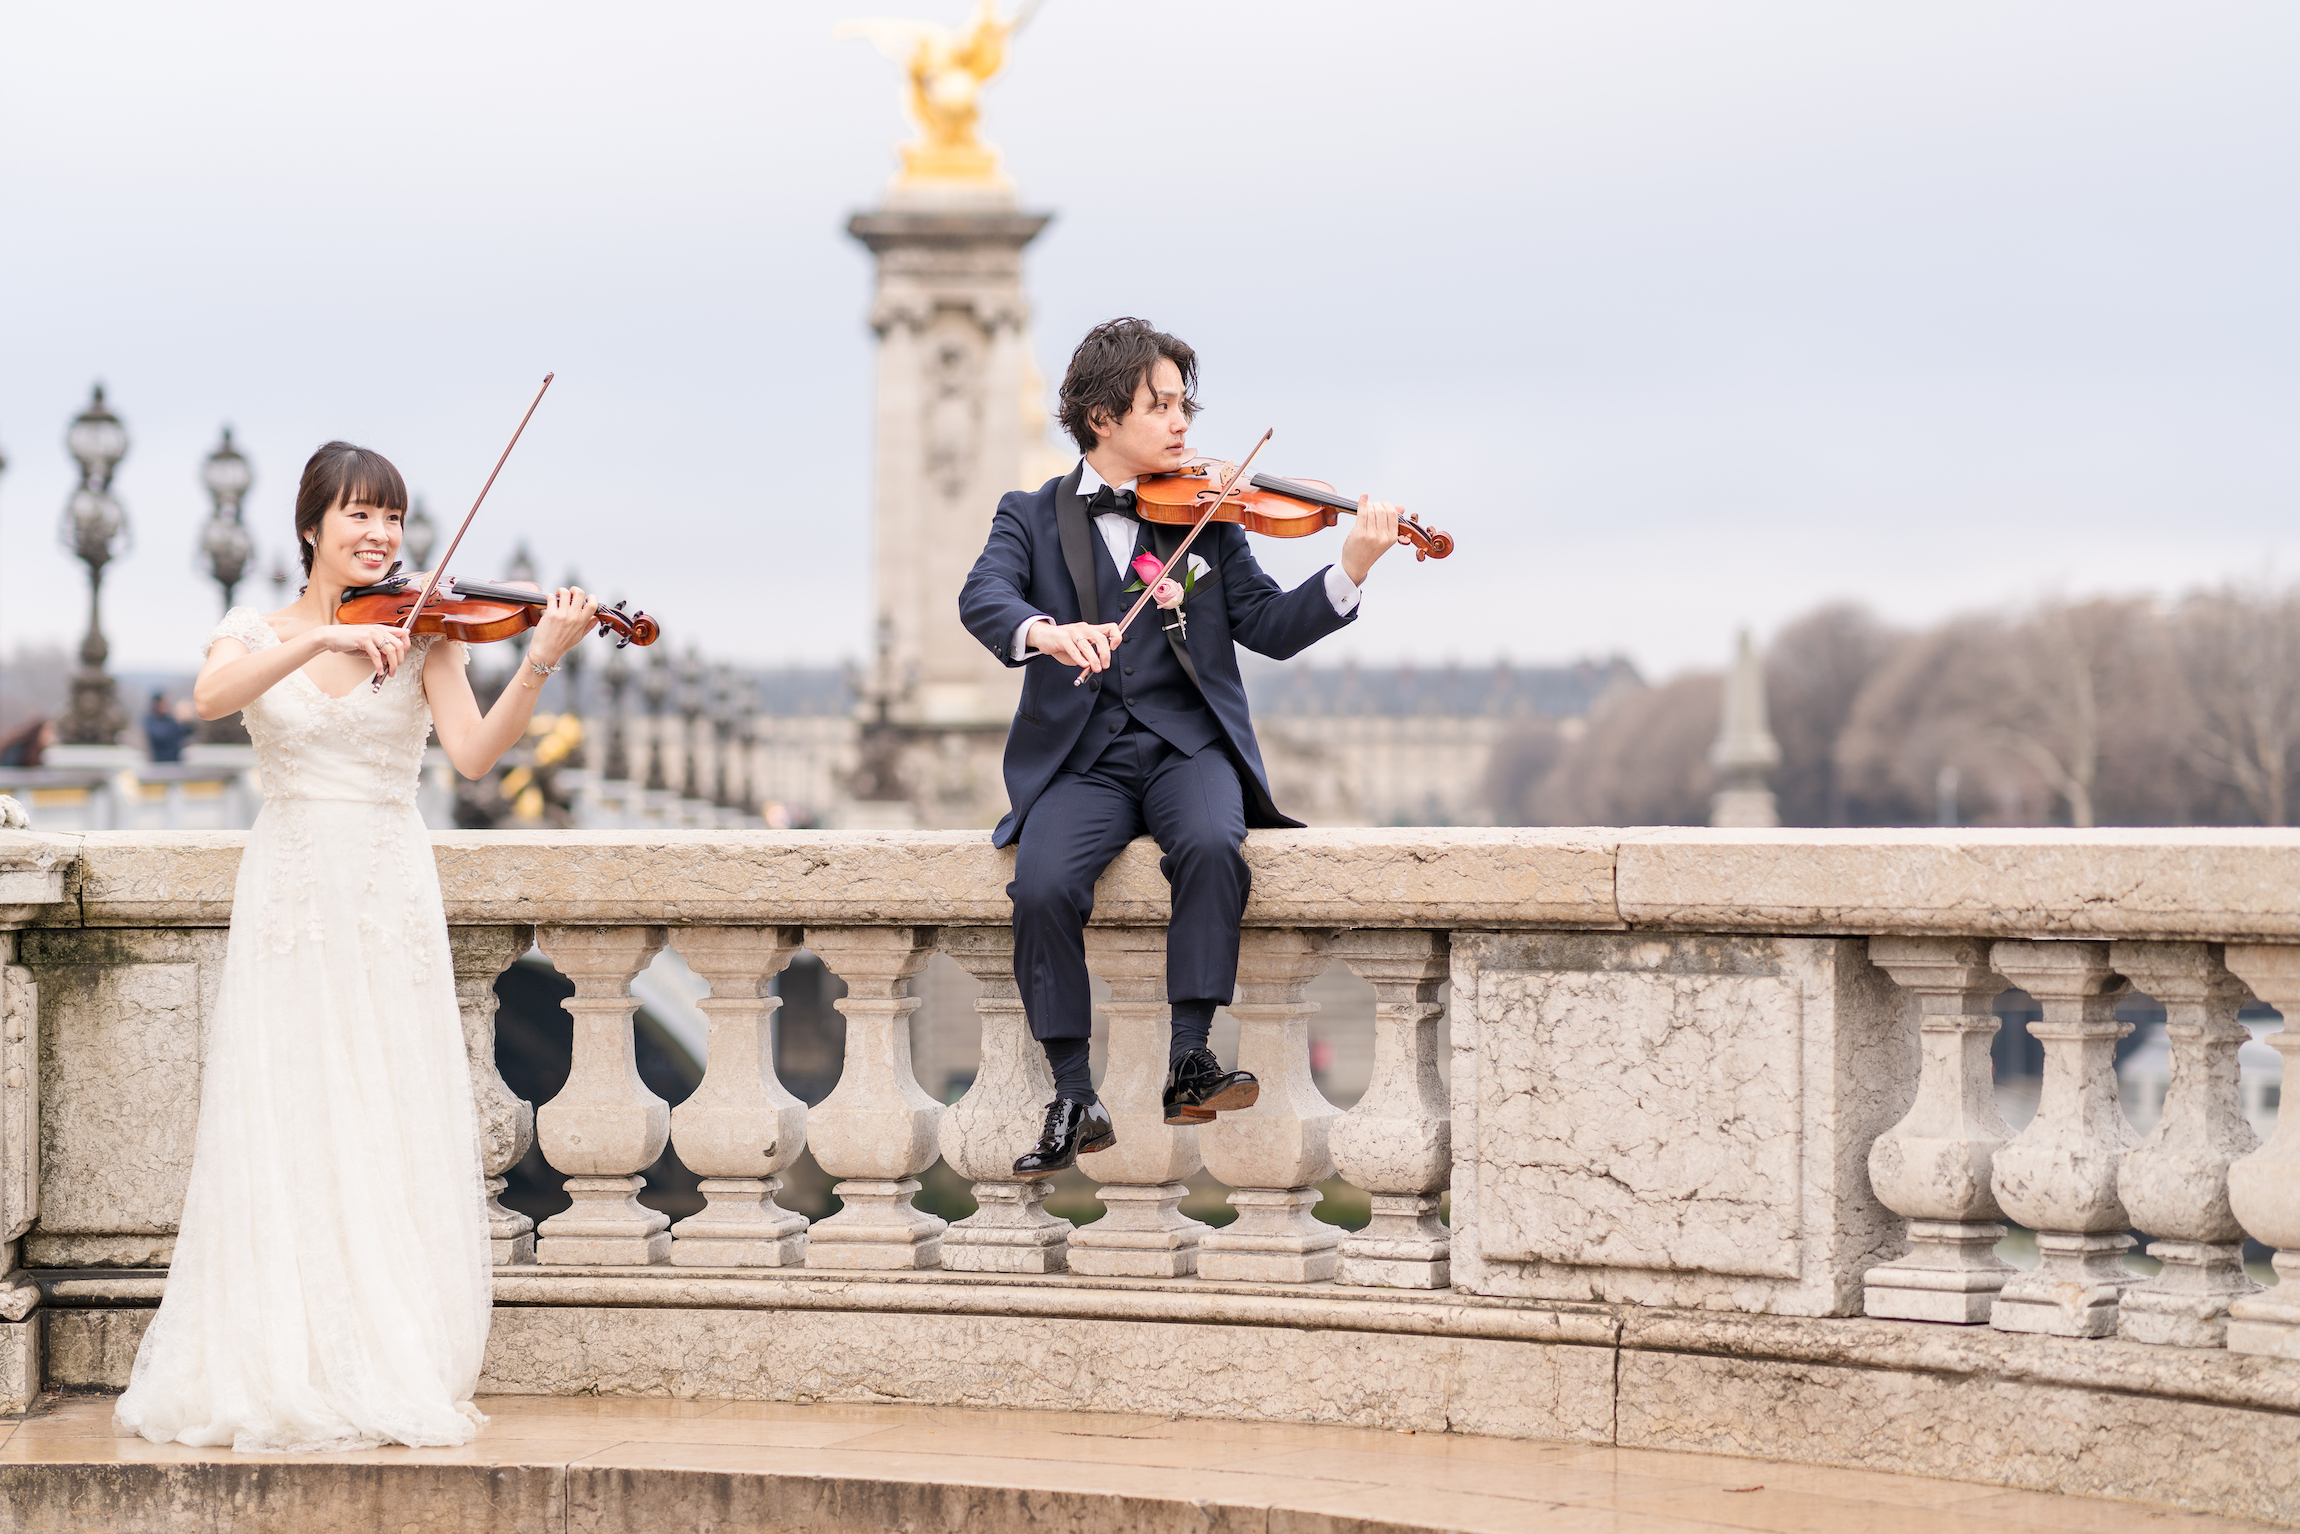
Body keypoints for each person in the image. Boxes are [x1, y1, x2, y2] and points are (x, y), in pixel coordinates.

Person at [114, 440, 600, 1453]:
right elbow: (212, 698)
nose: (378, 535)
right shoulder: (255, 631)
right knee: (285, 1104)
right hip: (291, 884)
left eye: (391, 518)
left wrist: (542, 658)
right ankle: (276, 1349)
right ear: (310, 527)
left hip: (384, 883)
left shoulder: (428, 633)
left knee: (382, 1105)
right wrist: (316, 645)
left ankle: (387, 1346)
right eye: (358, 516)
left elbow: (471, 754)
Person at [958, 318, 1412, 1177]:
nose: (1180, 424)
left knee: (1211, 843)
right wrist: (1045, 635)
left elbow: (1270, 627)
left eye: (1182, 405)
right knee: (1043, 886)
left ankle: (1191, 1055)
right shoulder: (1027, 515)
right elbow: (984, 598)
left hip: (1187, 747)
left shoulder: (1210, 517)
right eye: (1159, 405)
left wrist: (1350, 568)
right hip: (1082, 759)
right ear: (1101, 417)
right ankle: (1072, 1094)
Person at [144, 692, 193, 763]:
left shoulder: (170, 719)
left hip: (175, 761)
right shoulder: (151, 720)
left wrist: (187, 721)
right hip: (159, 763)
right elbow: (160, 735)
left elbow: (184, 733)